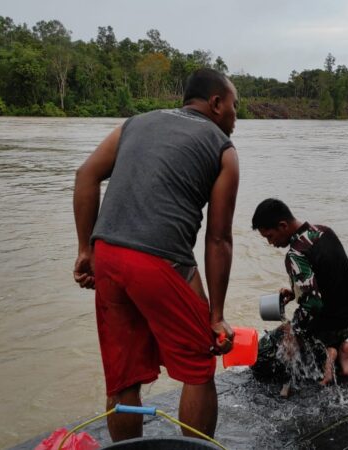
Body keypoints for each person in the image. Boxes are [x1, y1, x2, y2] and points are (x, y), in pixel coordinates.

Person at [72, 68, 240, 442]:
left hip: (108, 256)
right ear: (215, 104)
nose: (235, 118)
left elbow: (85, 175)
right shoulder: (222, 148)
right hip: (158, 261)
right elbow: (218, 240)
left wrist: (86, 249)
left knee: (123, 377)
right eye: (234, 107)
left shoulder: (135, 123)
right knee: (198, 367)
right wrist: (216, 316)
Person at [251, 198, 348, 385]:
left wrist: (292, 332)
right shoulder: (324, 232)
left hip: (327, 328)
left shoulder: (295, 254)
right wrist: (296, 292)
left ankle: (327, 352)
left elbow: (313, 305)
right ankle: (339, 346)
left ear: (283, 226)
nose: (271, 243)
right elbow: (331, 279)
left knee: (261, 355)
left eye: (269, 236)